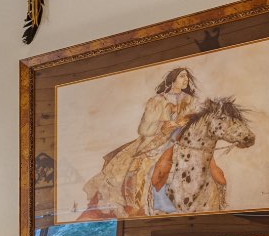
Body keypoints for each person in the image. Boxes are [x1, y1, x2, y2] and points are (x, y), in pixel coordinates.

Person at [78, 67, 201, 219]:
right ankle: (148, 203)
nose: (186, 80)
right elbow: (144, 129)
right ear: (173, 79)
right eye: (182, 76)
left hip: (182, 138)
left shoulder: (191, 101)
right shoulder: (158, 100)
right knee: (146, 164)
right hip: (157, 139)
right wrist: (165, 125)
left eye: (187, 77)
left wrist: (185, 123)